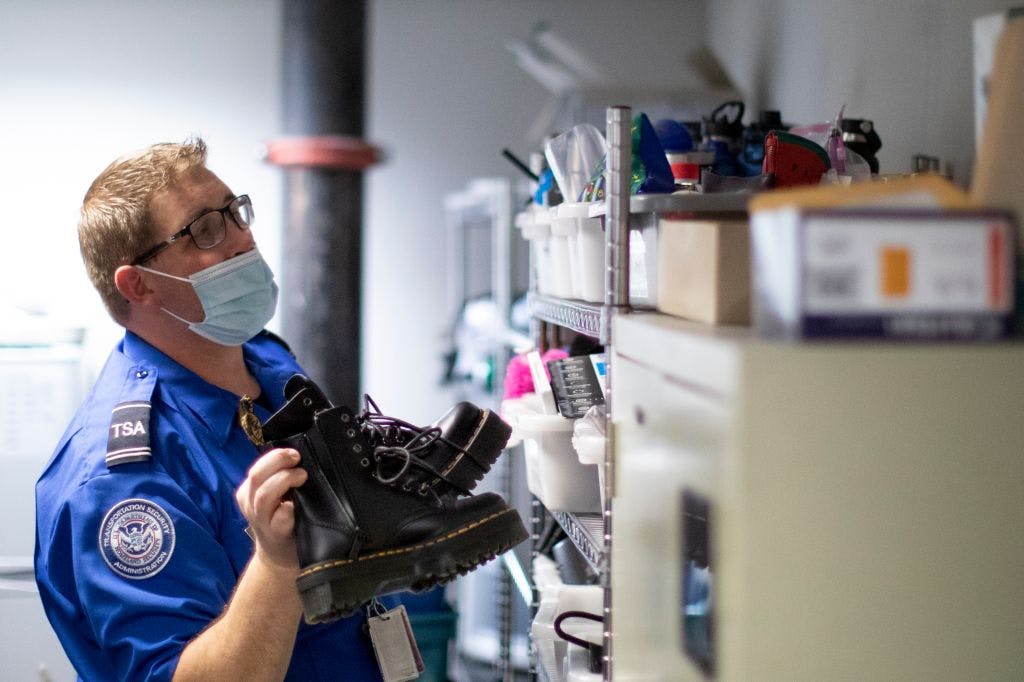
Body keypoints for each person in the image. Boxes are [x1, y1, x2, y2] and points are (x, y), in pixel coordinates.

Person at [35, 137, 393, 681]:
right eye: (205, 230)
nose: (243, 239)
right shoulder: (120, 476)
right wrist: (276, 565)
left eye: (235, 212)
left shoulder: (270, 364)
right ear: (139, 284)